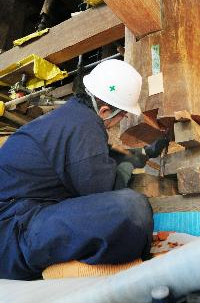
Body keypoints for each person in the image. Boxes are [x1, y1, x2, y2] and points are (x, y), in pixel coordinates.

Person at [0, 59, 168, 280]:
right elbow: (103, 190)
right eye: (123, 114)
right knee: (132, 209)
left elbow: (99, 159)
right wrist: (127, 166)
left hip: (23, 215)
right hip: (12, 234)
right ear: (105, 111)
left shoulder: (72, 118)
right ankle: (58, 270)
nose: (124, 118)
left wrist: (140, 155)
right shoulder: (84, 126)